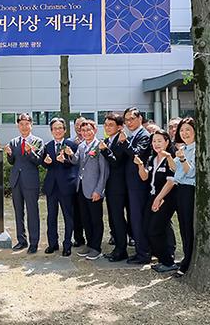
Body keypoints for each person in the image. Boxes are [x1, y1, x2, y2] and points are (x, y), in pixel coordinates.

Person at [152, 118, 196, 277]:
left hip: (190, 190)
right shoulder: (183, 148)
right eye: (182, 130)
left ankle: (188, 262)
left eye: (188, 130)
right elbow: (176, 171)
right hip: (181, 190)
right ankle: (187, 259)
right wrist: (173, 158)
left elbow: (190, 172)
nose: (184, 133)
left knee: (189, 227)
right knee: (184, 228)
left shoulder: (196, 149)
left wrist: (182, 158)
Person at [134, 130, 178, 272]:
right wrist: (140, 165)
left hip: (166, 198)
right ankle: (162, 258)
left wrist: (159, 199)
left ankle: (168, 261)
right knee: (147, 228)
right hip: (152, 196)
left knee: (155, 230)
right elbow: (144, 177)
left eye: (159, 140)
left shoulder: (171, 158)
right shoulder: (152, 159)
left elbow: (171, 182)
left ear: (167, 142)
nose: (156, 144)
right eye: (154, 141)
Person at [65, 120, 109, 260]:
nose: (86, 133)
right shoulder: (82, 145)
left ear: (95, 130)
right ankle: (90, 244)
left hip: (94, 189)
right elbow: (76, 161)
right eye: (83, 131)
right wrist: (70, 154)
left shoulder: (99, 146)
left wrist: (99, 190)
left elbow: (104, 171)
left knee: (96, 219)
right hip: (81, 188)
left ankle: (96, 247)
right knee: (85, 219)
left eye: (89, 130)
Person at [5, 113, 44, 254]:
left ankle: (34, 243)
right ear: (18, 126)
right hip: (16, 181)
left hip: (30, 181)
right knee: (18, 212)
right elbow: (12, 162)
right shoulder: (13, 142)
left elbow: (39, 161)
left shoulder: (38, 141)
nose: (24, 126)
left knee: (32, 212)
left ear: (31, 125)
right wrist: (9, 154)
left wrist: (30, 152)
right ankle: (21, 240)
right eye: (21, 124)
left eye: (26, 123)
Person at [119, 107, 152, 264]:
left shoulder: (144, 135)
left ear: (140, 119)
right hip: (129, 183)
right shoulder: (131, 135)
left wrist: (124, 143)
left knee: (138, 218)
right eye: (126, 120)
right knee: (134, 218)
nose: (129, 122)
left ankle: (144, 253)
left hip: (139, 184)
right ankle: (140, 250)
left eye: (132, 119)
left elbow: (136, 154)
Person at [42, 117, 78, 256]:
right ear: (51, 131)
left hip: (66, 186)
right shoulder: (48, 146)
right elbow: (45, 163)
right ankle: (53, 244)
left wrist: (66, 161)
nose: (57, 130)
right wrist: (46, 162)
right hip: (52, 186)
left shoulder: (71, 145)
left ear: (64, 130)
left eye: (60, 128)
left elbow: (76, 163)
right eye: (54, 128)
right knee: (51, 216)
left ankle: (67, 245)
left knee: (68, 216)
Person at [99, 113, 129, 262]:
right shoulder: (106, 141)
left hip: (119, 186)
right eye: (105, 125)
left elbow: (116, 162)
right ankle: (117, 246)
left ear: (119, 127)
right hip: (109, 186)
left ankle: (121, 249)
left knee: (117, 218)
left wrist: (104, 151)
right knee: (112, 218)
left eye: (111, 125)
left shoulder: (121, 140)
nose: (107, 127)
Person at [72, 116, 87, 247]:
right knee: (76, 212)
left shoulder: (93, 142)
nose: (79, 127)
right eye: (76, 125)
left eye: (81, 124)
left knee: (87, 212)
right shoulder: (70, 142)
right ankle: (78, 238)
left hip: (88, 182)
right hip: (74, 182)